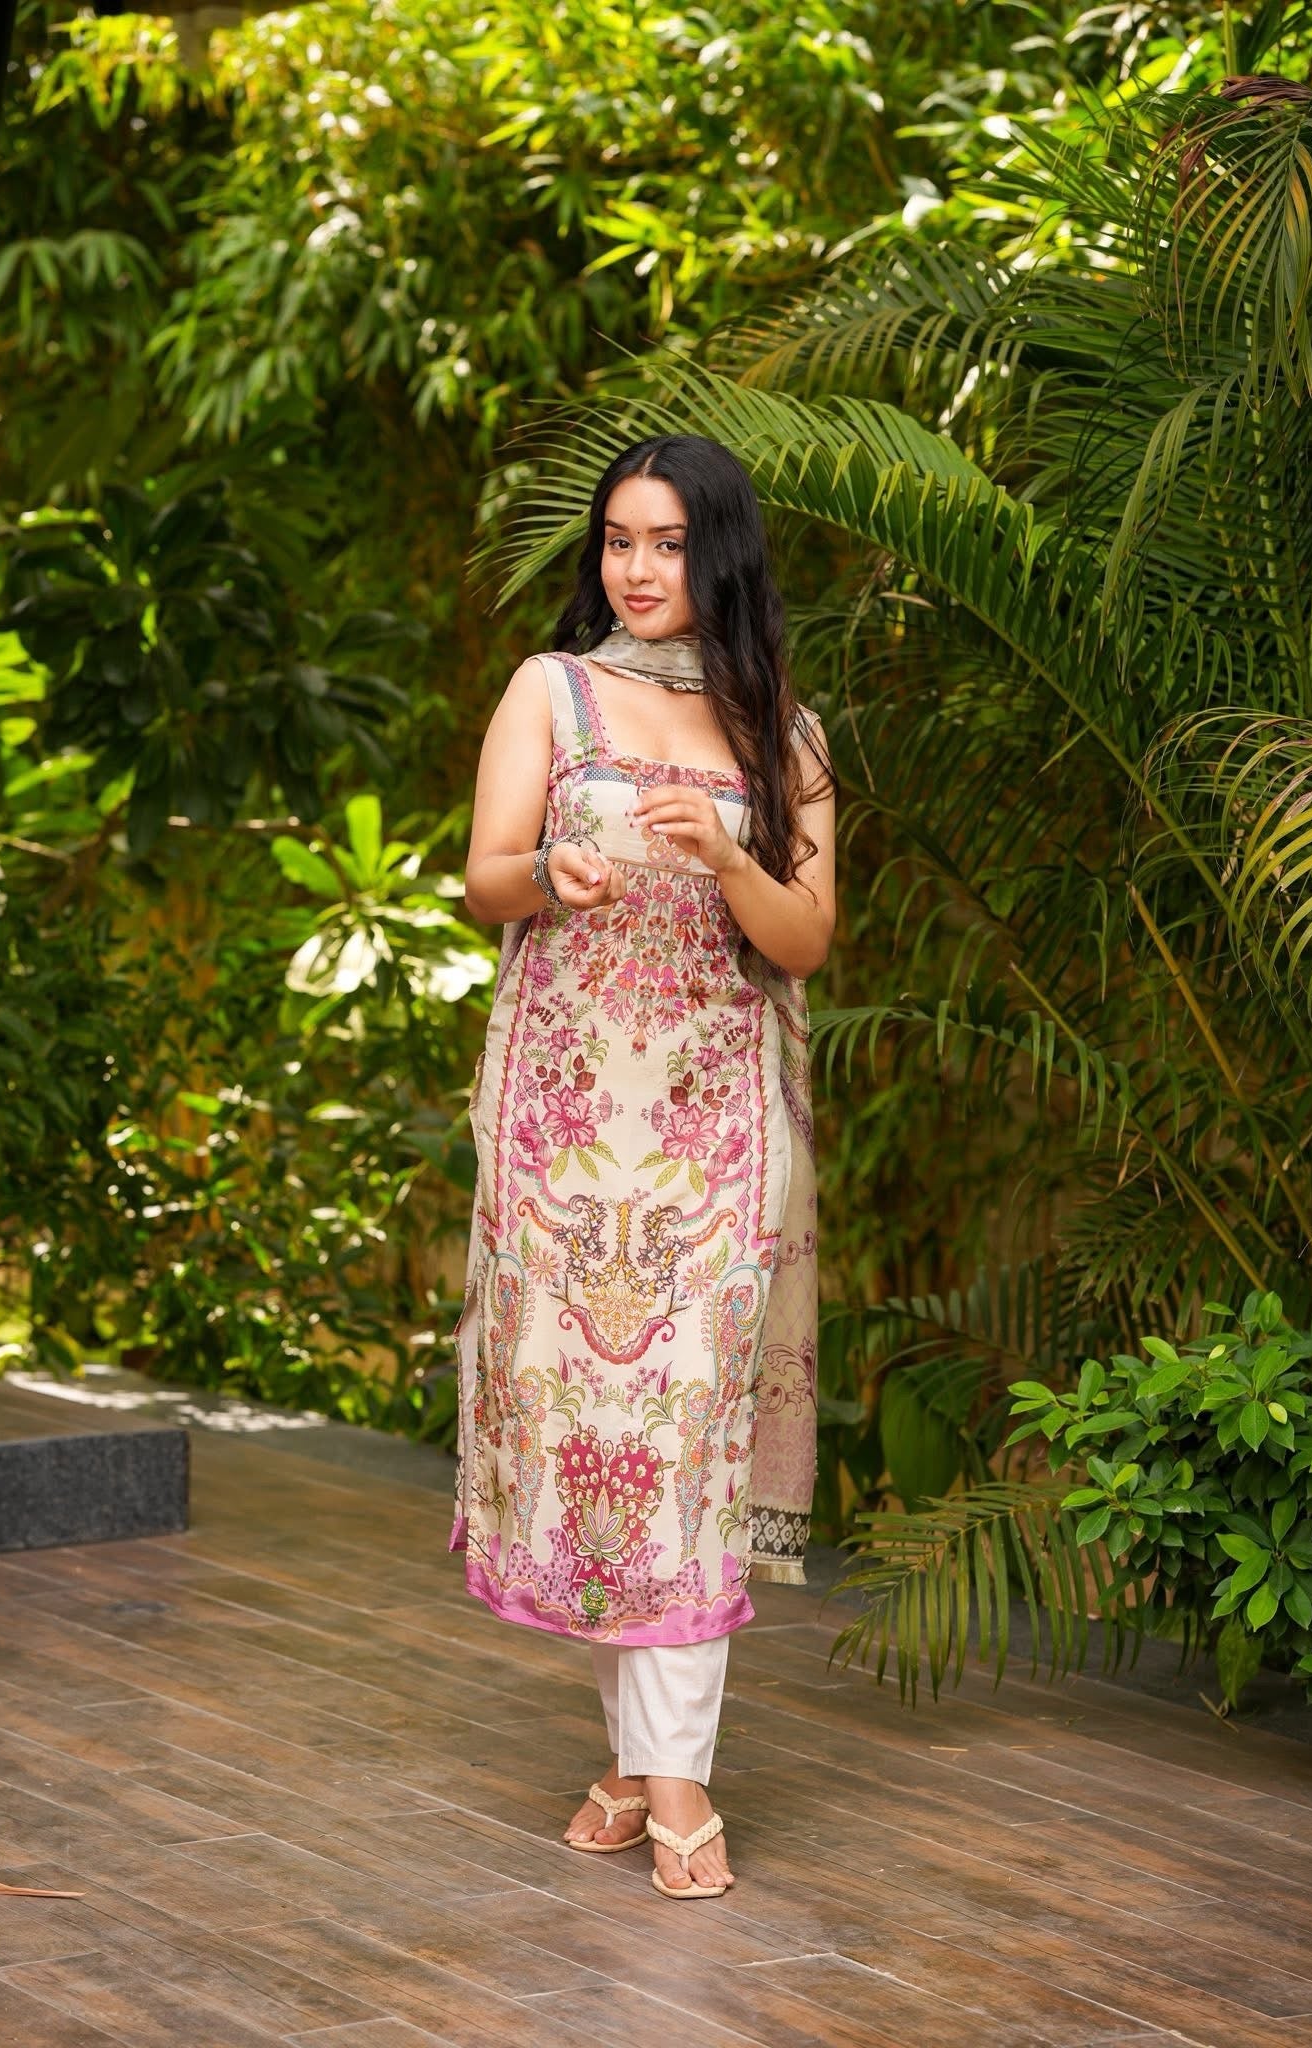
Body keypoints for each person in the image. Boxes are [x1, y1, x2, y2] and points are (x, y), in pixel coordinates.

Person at [453, 432, 836, 1900]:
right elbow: (483, 876)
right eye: (618, 540)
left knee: (686, 1438)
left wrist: (729, 860)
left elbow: (805, 939)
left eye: (667, 543)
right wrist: (553, 876)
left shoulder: (785, 731)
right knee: (600, 1435)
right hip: (562, 1135)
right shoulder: (548, 691)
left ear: (718, 554)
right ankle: (637, 1764)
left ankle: (671, 1782)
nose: (635, 567)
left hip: (718, 1137)